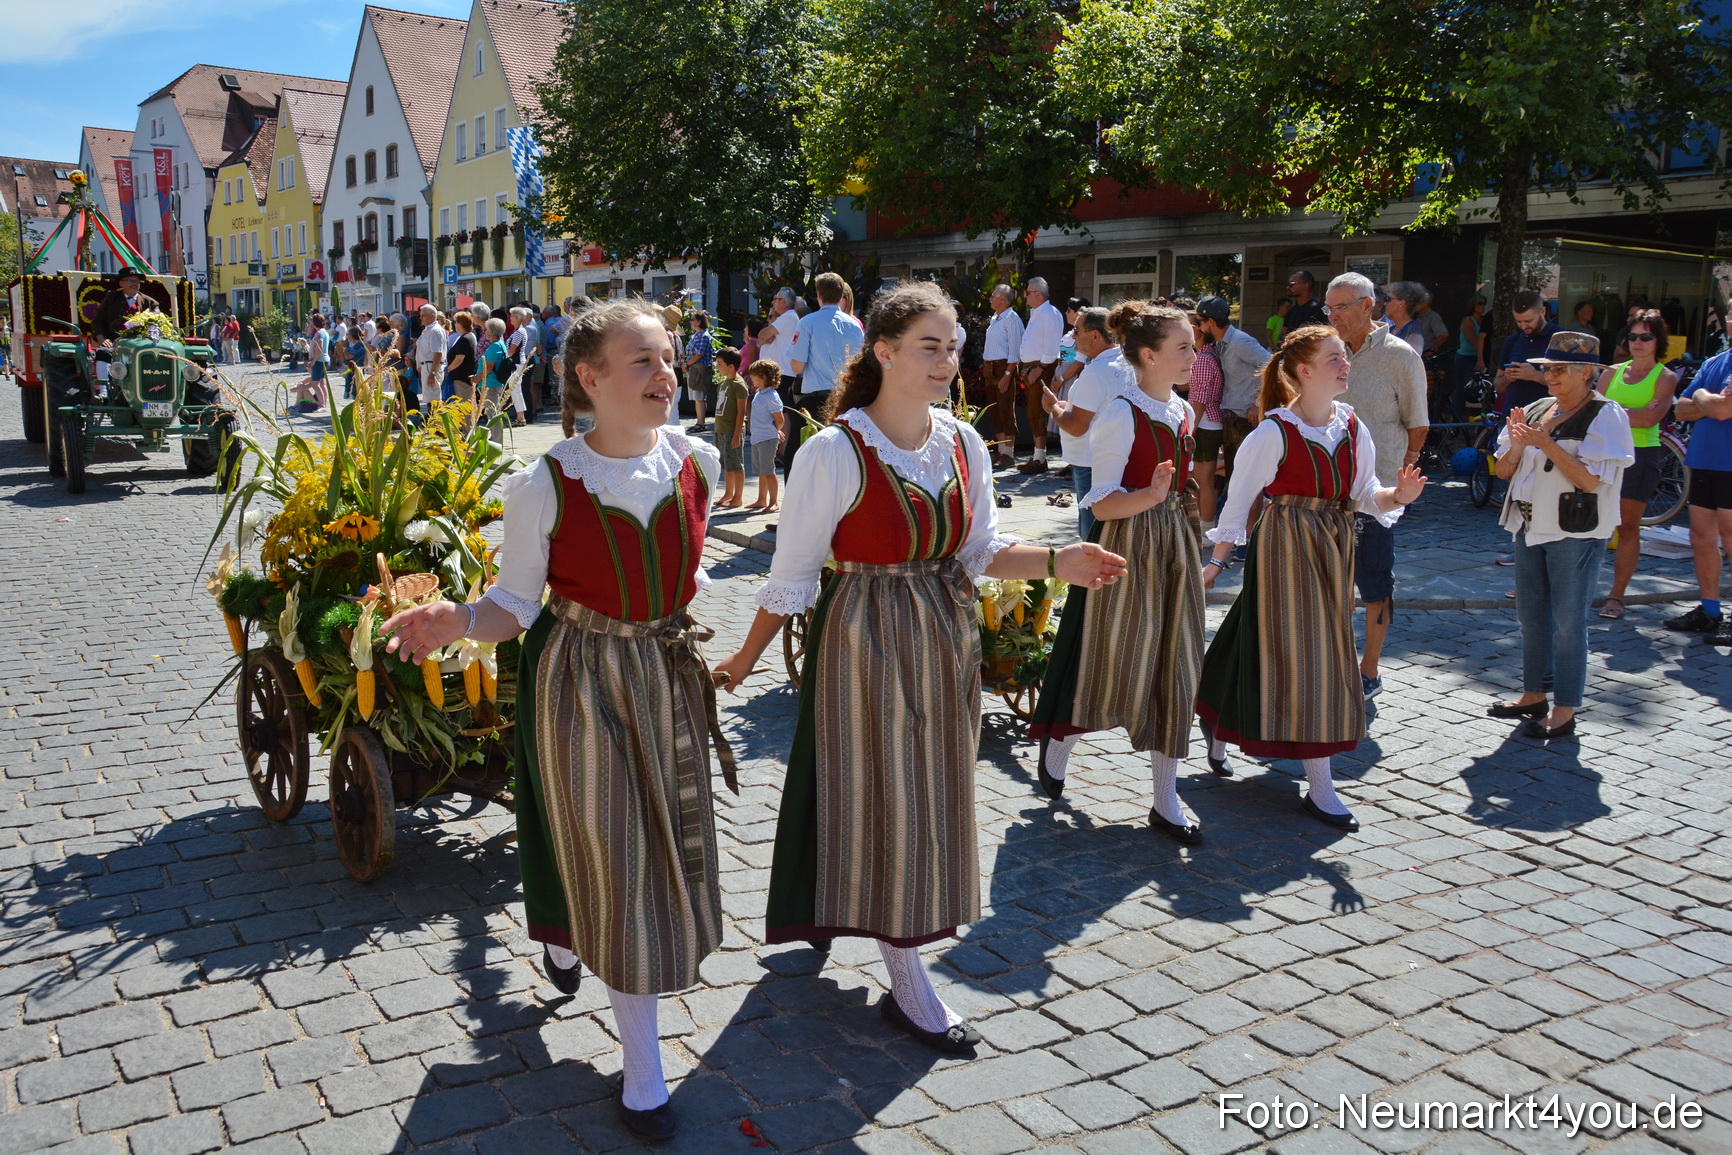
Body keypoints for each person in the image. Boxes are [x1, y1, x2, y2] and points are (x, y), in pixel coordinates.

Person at [711, 282, 1126, 1055]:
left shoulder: (963, 442)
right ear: (885, 351)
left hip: (943, 635)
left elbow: (978, 551)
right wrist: (743, 657)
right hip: (865, 636)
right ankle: (908, 976)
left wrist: (1058, 560)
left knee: (930, 789)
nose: (947, 360)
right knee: (887, 791)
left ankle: (836, 904)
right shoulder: (836, 451)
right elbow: (795, 574)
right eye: (930, 345)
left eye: (955, 346)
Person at [381, 300, 732, 1144]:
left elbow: (683, 575)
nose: (665, 375)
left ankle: (570, 936)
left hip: (667, 675)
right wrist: (455, 621)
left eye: (667, 359)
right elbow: (515, 603)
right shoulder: (543, 483)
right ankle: (643, 1070)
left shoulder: (702, 465)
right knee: (613, 851)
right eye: (641, 361)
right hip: (580, 681)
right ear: (589, 378)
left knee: (661, 843)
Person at [1197, 326, 1427, 830]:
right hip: (1285, 547)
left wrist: (1400, 497)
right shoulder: (1272, 432)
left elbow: (1369, 495)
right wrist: (1215, 563)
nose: (1345, 365)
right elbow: (1238, 505)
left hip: (1334, 550)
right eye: (1334, 359)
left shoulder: (1352, 426)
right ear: (1303, 370)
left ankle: (1215, 716)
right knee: (1313, 660)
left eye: (1344, 357)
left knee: (1258, 639)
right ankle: (1321, 787)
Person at [1029, 302, 1207, 842]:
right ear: (1148, 355)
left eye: (1193, 346)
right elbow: (1101, 505)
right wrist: (1149, 496)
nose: (1193, 356)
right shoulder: (1120, 413)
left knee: (1175, 662)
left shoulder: (1182, 411)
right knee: (1116, 656)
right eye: (1183, 347)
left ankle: (1164, 798)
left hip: (1176, 540)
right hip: (1130, 546)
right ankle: (1061, 744)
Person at [1487, 332, 1634, 738]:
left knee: (1568, 622)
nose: (1549, 375)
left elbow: (1590, 481)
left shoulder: (1607, 415)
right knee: (1531, 616)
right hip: (1529, 525)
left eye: (1559, 369)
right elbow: (1502, 471)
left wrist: (1546, 445)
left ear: (1587, 372)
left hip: (1575, 530)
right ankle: (1534, 695)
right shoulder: (1535, 409)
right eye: (1547, 367)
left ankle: (1565, 710)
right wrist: (1516, 449)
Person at [1326, 273, 1429, 699]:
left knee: (1374, 584)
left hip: (1376, 493)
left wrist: (1404, 471)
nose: (1333, 316)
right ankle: (1331, 661)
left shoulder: (1401, 357)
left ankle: (1369, 670)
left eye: (1342, 307)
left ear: (1369, 306)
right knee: (1328, 582)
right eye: (1328, 308)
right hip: (1324, 490)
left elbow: (1418, 423)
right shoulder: (1325, 351)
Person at [1596, 311, 1680, 620]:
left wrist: (1612, 410)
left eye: (1645, 337)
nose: (1638, 343)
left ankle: (1616, 594)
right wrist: (1630, 411)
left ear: (1658, 341)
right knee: (1588, 522)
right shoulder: (1610, 372)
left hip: (1640, 454)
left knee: (1627, 526)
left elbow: (1650, 419)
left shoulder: (1666, 376)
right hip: (1604, 454)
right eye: (1633, 337)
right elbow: (1592, 410)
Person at [1665, 343, 1732, 645]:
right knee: (1701, 538)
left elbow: (1719, 410)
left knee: (1730, 538)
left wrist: (1703, 398)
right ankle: (1710, 611)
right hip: (1705, 458)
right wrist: (1711, 402)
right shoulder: (1716, 361)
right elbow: (1681, 408)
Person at [1042, 307, 1127, 539]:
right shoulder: (1125, 363)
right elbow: (1097, 411)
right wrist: (1063, 407)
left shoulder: (1098, 371)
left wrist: (1052, 409)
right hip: (1110, 459)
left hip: (1090, 462)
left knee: (1092, 537)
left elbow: (1077, 426)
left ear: (1095, 335)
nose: (1072, 336)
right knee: (1109, 534)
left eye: (1076, 330)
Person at [1194, 295, 1271, 482]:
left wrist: (1259, 403)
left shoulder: (1239, 341)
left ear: (1210, 322)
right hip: (1233, 420)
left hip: (1246, 419)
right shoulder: (1222, 343)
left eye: (1199, 322)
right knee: (1236, 481)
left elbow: (1272, 365)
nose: (1198, 327)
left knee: (1246, 483)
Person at [791, 272, 865, 429]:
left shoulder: (807, 323)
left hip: (816, 400)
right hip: (846, 398)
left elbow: (796, 366)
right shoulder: (855, 325)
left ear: (818, 294)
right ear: (841, 296)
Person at [1017, 277, 1064, 473]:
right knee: (1033, 411)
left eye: (1027, 292)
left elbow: (1052, 345)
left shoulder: (1049, 313)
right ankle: (1038, 456)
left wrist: (1041, 368)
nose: (1025, 296)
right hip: (1032, 367)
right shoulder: (1037, 313)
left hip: (1040, 367)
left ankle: (1040, 458)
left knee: (1037, 411)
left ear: (1038, 294)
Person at [1185, 308, 1225, 526]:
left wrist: (1190, 429)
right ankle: (1205, 523)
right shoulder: (1209, 354)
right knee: (1203, 479)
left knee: (1203, 480)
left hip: (1206, 423)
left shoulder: (1202, 359)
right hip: (1211, 422)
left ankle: (1206, 525)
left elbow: (1198, 400)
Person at [1494, 290, 1563, 411]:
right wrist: (1508, 378)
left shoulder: (1562, 338)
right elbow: (1498, 387)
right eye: (1519, 321)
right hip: (1513, 419)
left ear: (1543, 312)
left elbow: (1573, 386)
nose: (1523, 326)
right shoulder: (1512, 341)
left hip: (1549, 418)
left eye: (1528, 321)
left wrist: (1535, 375)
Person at [982, 283, 1025, 468]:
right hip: (990, 368)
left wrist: (1007, 375)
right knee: (994, 410)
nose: (990, 298)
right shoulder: (996, 318)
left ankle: (1008, 453)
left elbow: (1015, 351)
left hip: (1002, 368)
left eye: (993, 295)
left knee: (1005, 409)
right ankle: (1001, 451)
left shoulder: (1012, 319)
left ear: (1003, 298)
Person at [745, 359, 785, 511]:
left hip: (767, 438)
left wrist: (775, 431)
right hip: (757, 437)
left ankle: (774, 501)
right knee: (762, 471)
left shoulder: (771, 396)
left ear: (763, 377)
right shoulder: (760, 393)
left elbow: (779, 419)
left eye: (754, 376)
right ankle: (761, 500)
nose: (751, 378)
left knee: (768, 470)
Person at [713, 348, 749, 508]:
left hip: (731, 431)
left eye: (720, 364)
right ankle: (728, 493)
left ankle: (738, 497)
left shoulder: (739, 385)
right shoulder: (723, 383)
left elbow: (741, 413)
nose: (716, 367)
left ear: (731, 366)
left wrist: (736, 435)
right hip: (720, 430)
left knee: (736, 464)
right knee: (726, 464)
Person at [1451, 297, 1488, 421]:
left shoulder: (1483, 320)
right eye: (1480, 304)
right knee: (1462, 387)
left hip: (1478, 357)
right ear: (1473, 306)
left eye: (1484, 304)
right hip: (1465, 358)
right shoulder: (1468, 321)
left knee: (1483, 388)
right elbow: (1472, 340)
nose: (1483, 306)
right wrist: (1480, 358)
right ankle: (1456, 419)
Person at [683, 311, 716, 432]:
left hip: (700, 370)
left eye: (692, 320)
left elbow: (699, 355)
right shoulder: (695, 335)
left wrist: (687, 364)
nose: (690, 322)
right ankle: (699, 422)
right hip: (693, 369)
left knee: (700, 397)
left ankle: (701, 423)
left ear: (699, 322)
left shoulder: (704, 336)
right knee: (697, 398)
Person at [478, 317, 510, 427]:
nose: (485, 332)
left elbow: (489, 366)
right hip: (493, 382)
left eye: (487, 330)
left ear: (491, 331)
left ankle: (496, 441)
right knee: (492, 414)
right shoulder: (499, 344)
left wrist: (476, 378)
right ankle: (495, 439)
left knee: (492, 414)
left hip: (491, 383)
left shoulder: (496, 345)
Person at [1382, 282, 1428, 356]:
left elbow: (1412, 360)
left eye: (1388, 299)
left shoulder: (1413, 330)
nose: (1385, 303)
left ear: (1401, 303)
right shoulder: (1391, 329)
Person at [414, 304, 446, 404]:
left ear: (432, 316)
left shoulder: (435, 330)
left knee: (434, 400)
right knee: (429, 399)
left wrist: (432, 373)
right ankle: (432, 419)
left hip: (431, 366)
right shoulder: (427, 330)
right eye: (420, 315)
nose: (420, 318)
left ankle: (437, 419)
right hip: (426, 367)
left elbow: (438, 353)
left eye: (423, 315)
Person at [447, 312, 479, 407]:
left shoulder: (465, 338)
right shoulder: (468, 336)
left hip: (462, 379)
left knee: (465, 407)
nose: (454, 324)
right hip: (463, 377)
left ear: (461, 323)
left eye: (456, 322)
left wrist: (448, 369)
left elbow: (459, 358)